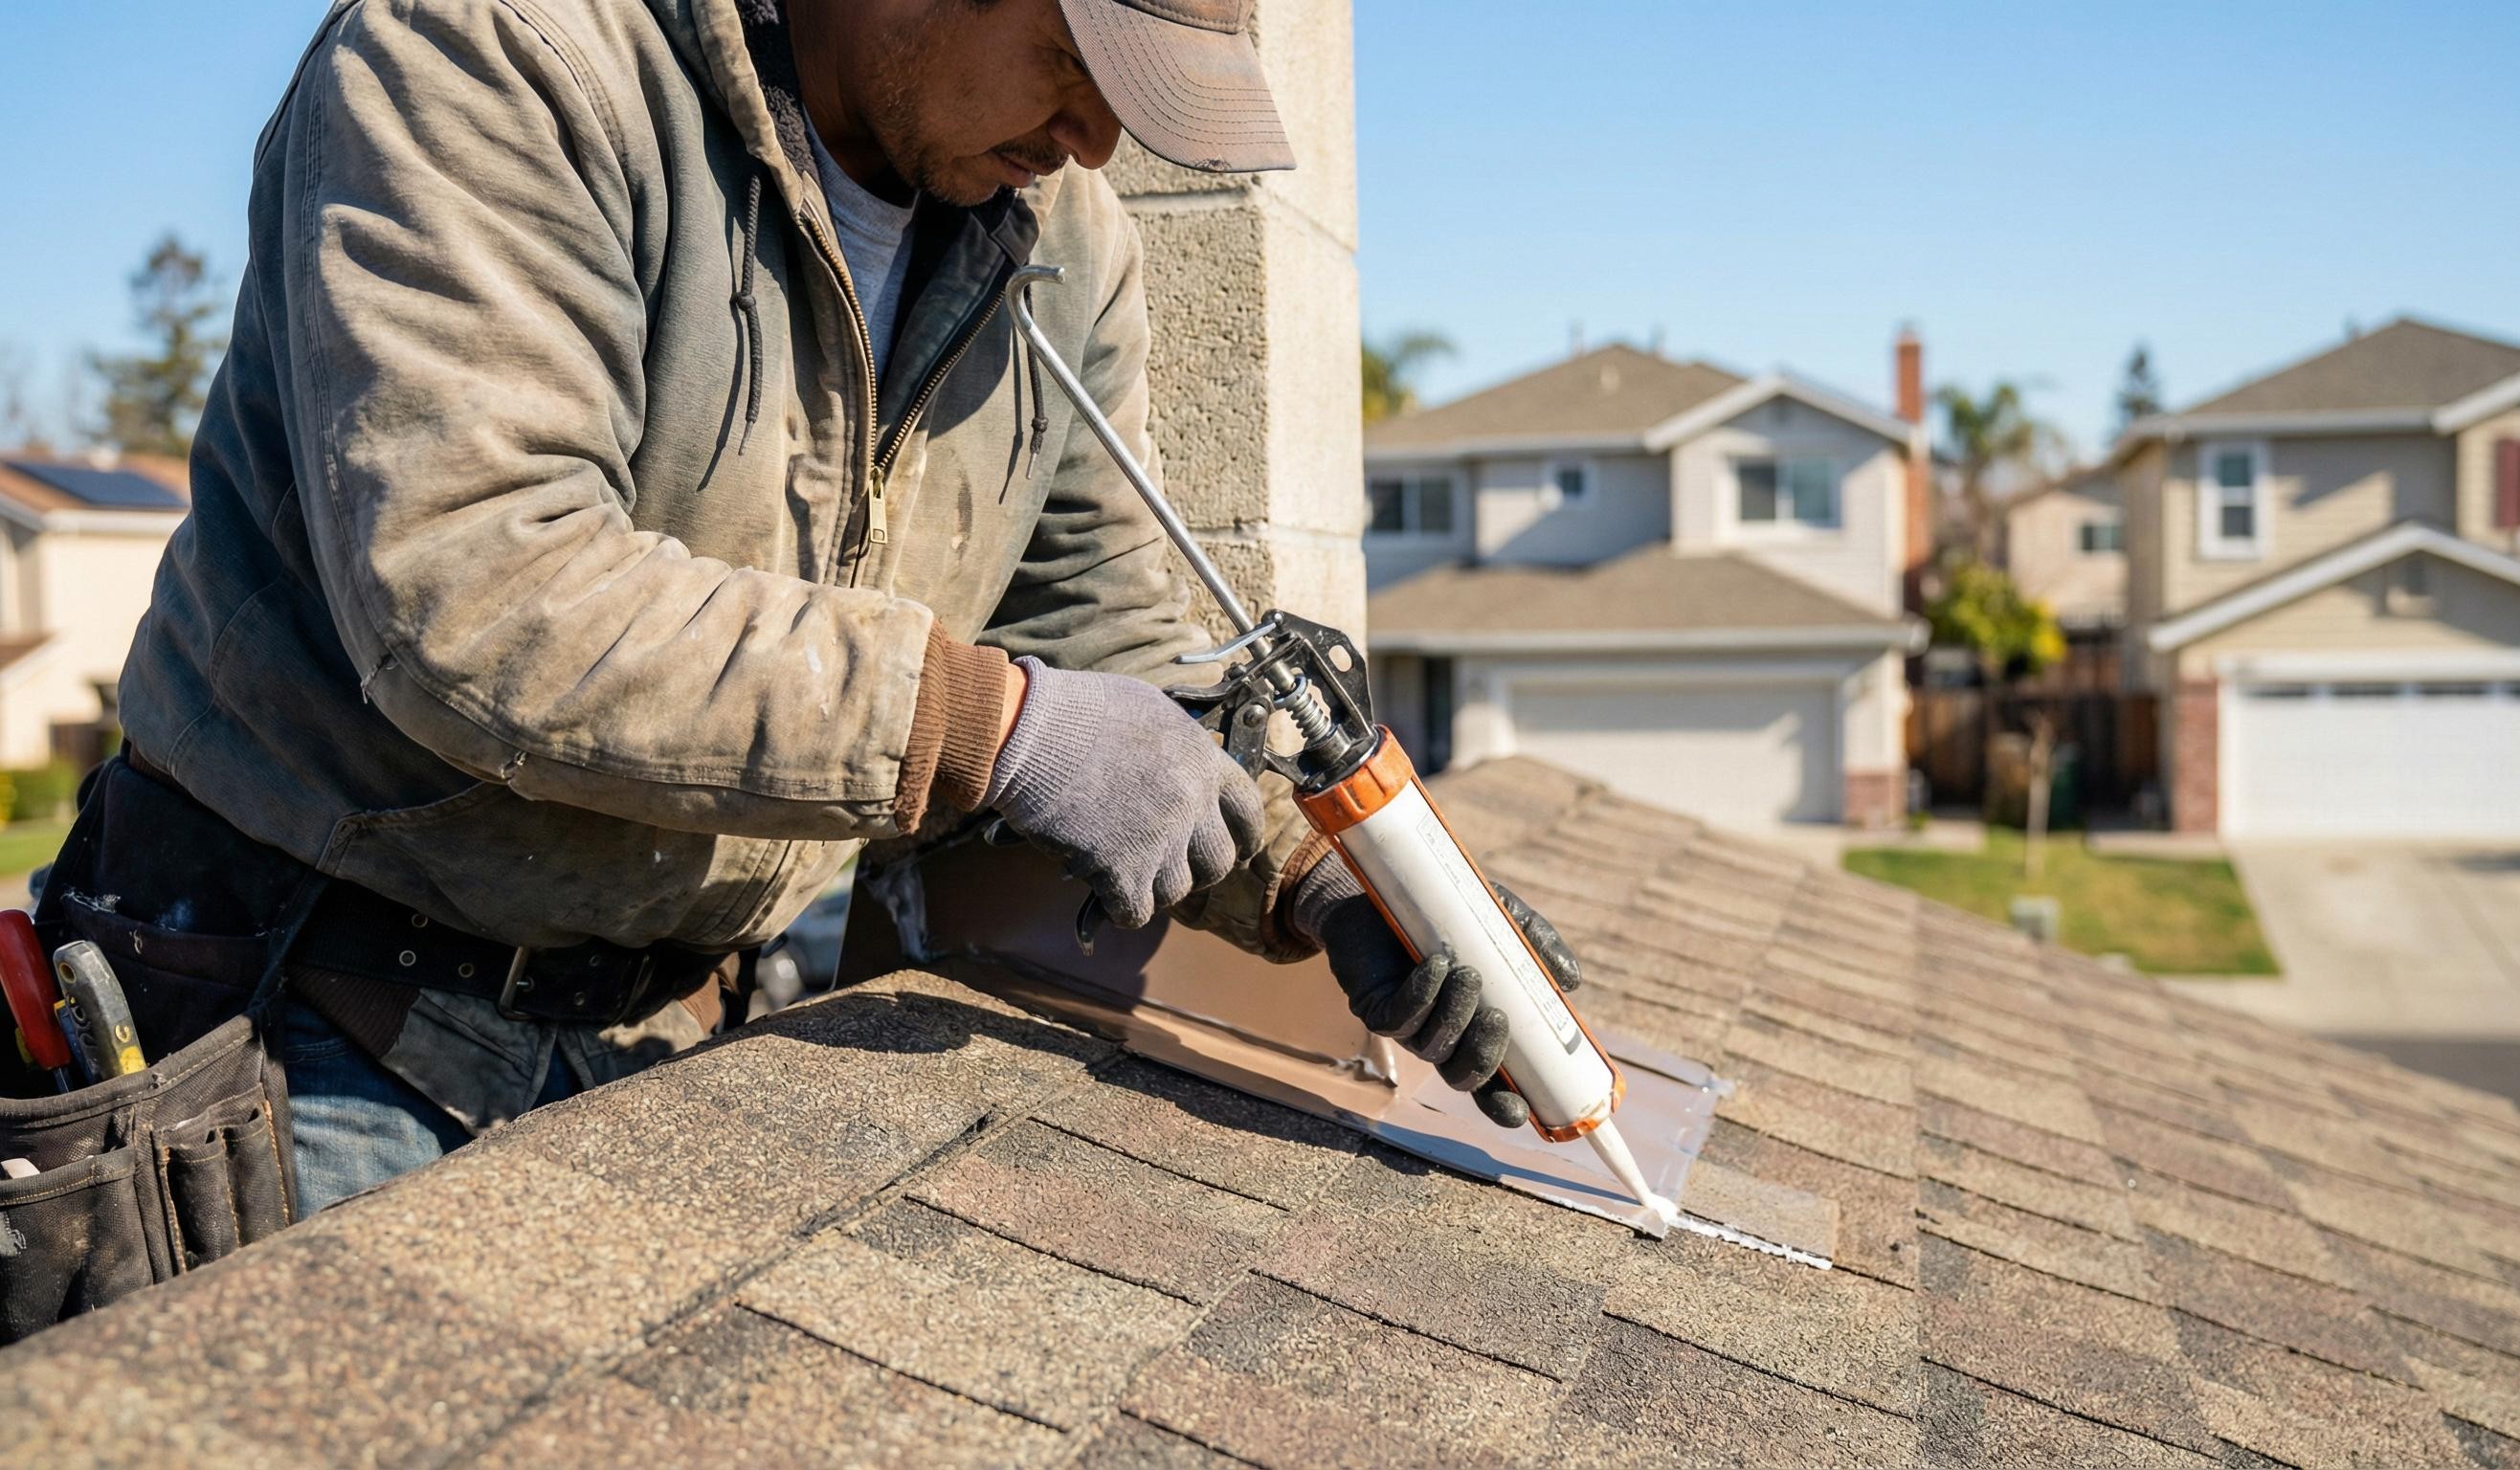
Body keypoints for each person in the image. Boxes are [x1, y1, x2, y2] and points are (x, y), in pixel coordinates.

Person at [76, 0, 1580, 1222]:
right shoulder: (499, 64)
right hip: (310, 1018)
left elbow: (1106, 646)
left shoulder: (1057, 247)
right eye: (1074, 59)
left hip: (665, 1021)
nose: (1096, 137)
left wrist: (1331, 884)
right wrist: (986, 727)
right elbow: (478, 595)